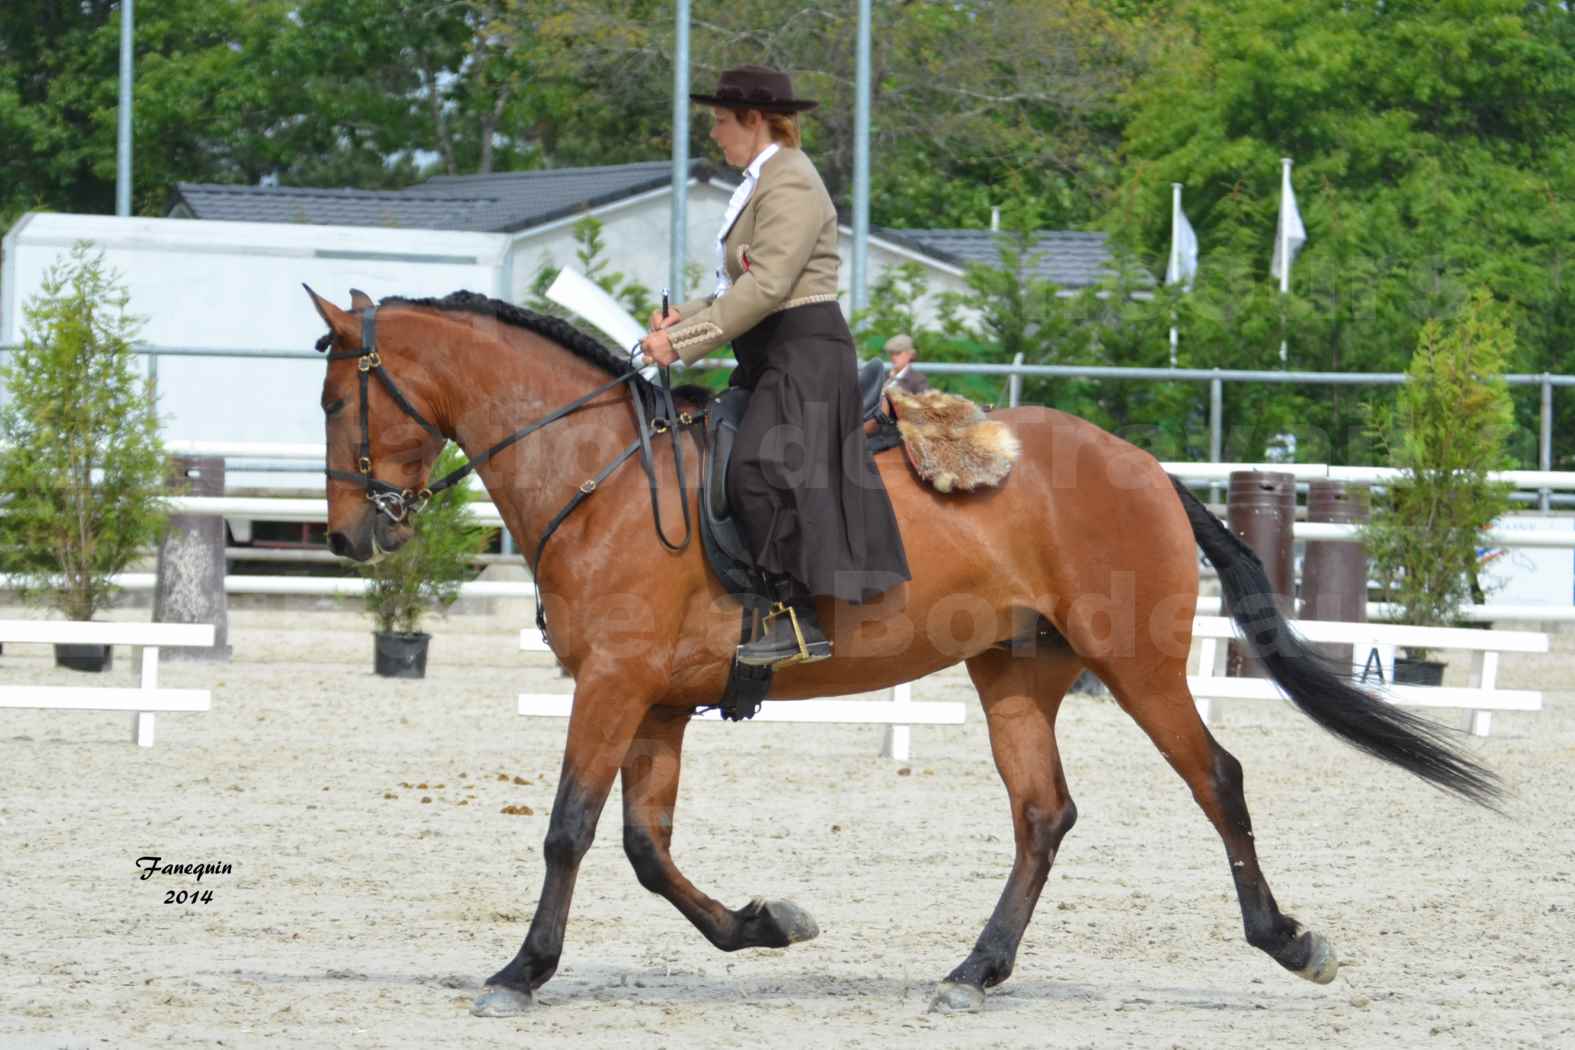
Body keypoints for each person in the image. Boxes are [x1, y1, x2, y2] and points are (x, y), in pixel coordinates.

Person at [641, 64, 910, 669]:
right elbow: (732, 287)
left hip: (804, 354)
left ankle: (797, 617)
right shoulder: (762, 181)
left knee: (762, 467)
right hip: (769, 353)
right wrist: (677, 321)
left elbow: (766, 288)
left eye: (719, 122)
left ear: (755, 120)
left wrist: (683, 346)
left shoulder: (790, 181)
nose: (713, 134)